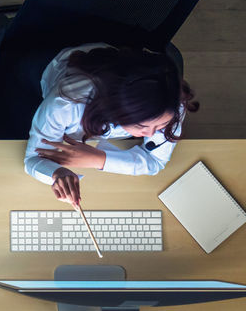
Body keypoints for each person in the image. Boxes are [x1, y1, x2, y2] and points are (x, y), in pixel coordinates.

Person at [25, 43, 198, 205]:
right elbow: (33, 158)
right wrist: (56, 173)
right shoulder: (66, 103)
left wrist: (98, 159)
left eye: (160, 126)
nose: (152, 135)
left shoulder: (171, 101)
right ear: (116, 109)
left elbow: (156, 161)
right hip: (60, 68)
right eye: (141, 127)